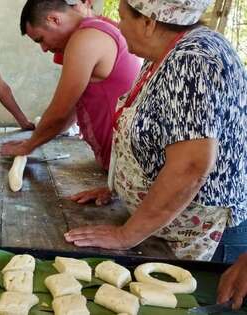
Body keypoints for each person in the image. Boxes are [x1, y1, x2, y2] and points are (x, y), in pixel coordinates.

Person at [65, 0, 247, 261]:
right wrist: (119, 185)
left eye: (124, 18)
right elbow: (159, 133)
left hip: (202, 234)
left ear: (149, 22)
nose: (120, 27)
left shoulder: (193, 60)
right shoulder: (167, 55)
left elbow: (190, 166)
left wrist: (124, 235)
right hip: (167, 227)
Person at [0, 0, 141, 170]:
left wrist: (27, 147)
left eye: (40, 39)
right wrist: (33, 141)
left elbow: (60, 111)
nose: (44, 49)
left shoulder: (86, 39)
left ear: (54, 19)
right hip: (119, 163)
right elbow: (71, 108)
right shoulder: (96, 30)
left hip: (126, 164)